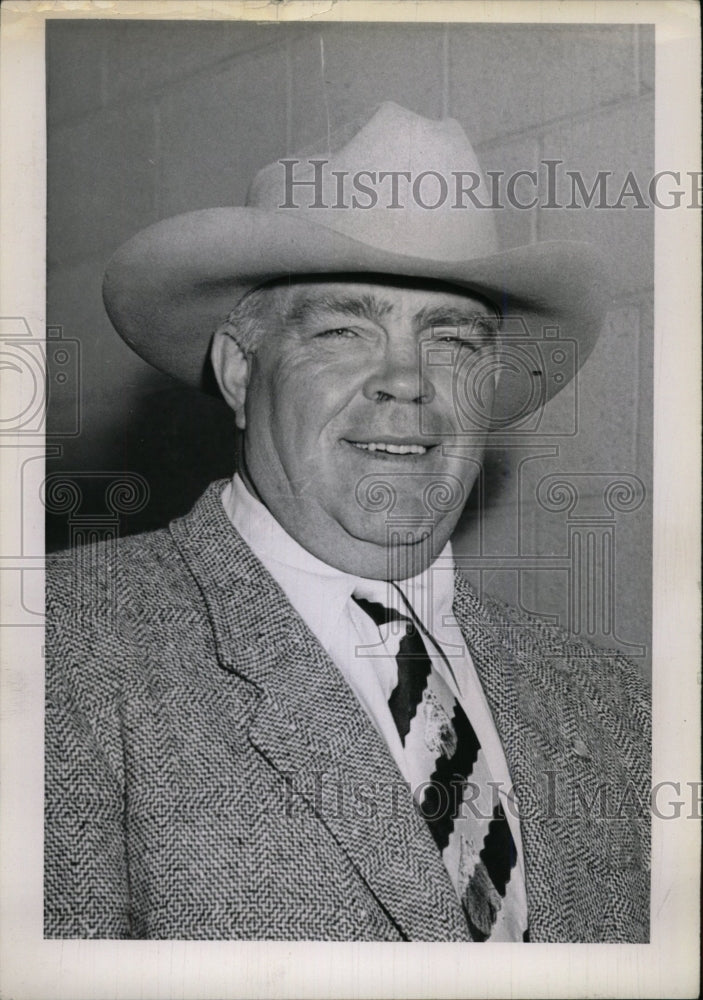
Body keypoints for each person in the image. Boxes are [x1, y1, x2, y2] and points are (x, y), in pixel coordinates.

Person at [44, 102, 650, 942]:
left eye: (452, 341)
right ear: (238, 371)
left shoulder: (614, 705)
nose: (405, 381)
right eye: (340, 330)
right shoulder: (55, 649)